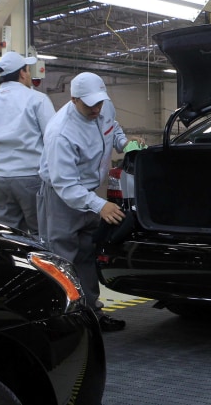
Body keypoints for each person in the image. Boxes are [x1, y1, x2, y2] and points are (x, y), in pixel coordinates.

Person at [38, 72, 136, 332]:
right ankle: (61, 322)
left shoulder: (103, 107)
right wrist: (100, 205)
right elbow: (65, 185)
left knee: (87, 256)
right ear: (73, 99)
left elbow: (112, 127)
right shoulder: (61, 133)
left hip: (91, 192)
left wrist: (124, 144)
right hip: (62, 198)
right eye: (89, 105)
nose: (96, 109)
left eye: (99, 103)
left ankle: (92, 314)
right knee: (62, 259)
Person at [0, 51, 55, 234]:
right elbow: (53, 138)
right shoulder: (37, 99)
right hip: (31, 178)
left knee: (8, 237)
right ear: (22, 73)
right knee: (40, 235)